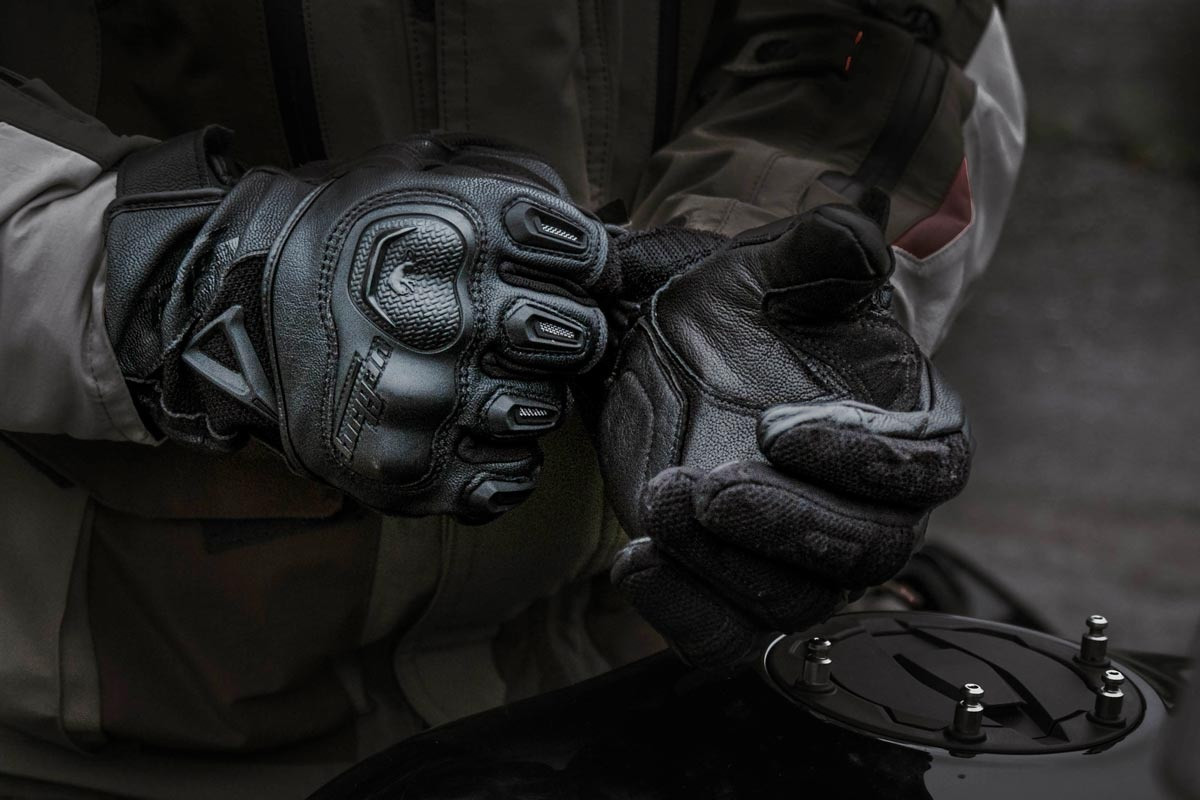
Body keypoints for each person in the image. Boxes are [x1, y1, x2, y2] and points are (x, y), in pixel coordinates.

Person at [0, 1, 1024, 797]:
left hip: (636, 695)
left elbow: (888, 38)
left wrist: (756, 262)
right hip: (102, 734)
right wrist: (178, 275)